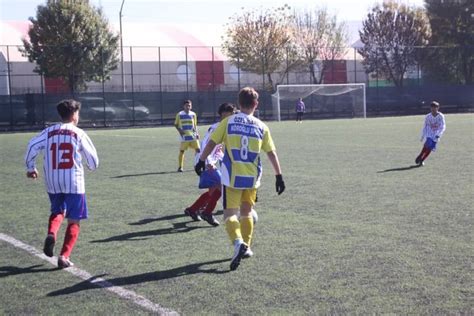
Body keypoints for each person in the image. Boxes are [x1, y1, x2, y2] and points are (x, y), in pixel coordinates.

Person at [195, 87, 285, 271]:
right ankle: (247, 246)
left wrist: (202, 160)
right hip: (252, 178)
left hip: (232, 177)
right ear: (256, 104)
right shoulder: (261, 126)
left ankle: (238, 243)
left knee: (229, 214)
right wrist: (279, 176)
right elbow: (271, 153)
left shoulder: (228, 122)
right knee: (247, 212)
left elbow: (212, 142)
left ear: (239, 103)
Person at [24, 99, 99, 268]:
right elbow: (94, 161)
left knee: (57, 210)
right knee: (74, 220)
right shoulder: (79, 133)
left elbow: (31, 146)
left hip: (53, 180)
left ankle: (52, 233)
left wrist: (31, 168)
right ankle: (64, 256)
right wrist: (90, 165)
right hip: (74, 181)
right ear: (74, 115)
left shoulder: (48, 131)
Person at [184, 102, 236, 226]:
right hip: (205, 162)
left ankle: (192, 210)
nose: (233, 115)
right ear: (224, 113)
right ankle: (207, 212)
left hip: (208, 161)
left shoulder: (224, 126)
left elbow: (218, 149)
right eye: (232, 113)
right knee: (221, 187)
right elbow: (206, 144)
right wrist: (206, 162)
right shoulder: (218, 127)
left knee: (214, 191)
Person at [415, 101, 446, 166]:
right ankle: (420, 154)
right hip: (429, 133)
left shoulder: (441, 116)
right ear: (430, 108)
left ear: (438, 108)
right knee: (428, 143)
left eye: (435, 108)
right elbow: (425, 126)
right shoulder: (428, 116)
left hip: (436, 134)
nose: (433, 109)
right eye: (432, 108)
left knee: (430, 148)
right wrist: (422, 136)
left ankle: (422, 160)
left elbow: (443, 126)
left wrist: (439, 134)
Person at [174, 99, 200, 172]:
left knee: (198, 150)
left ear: (191, 106)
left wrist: (197, 133)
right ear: (183, 106)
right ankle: (180, 167)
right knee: (182, 151)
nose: (188, 107)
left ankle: (197, 165)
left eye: (189, 105)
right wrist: (180, 131)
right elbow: (176, 124)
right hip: (184, 137)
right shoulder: (179, 114)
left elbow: (195, 125)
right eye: (186, 105)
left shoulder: (193, 114)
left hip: (193, 136)